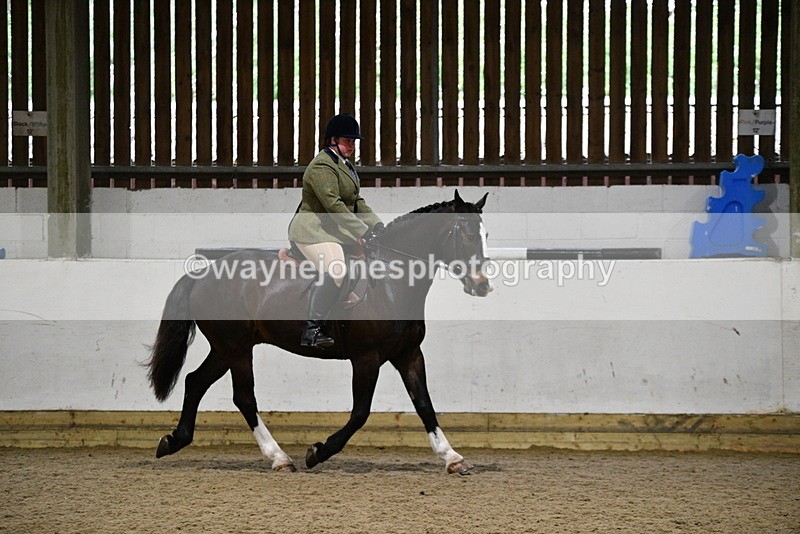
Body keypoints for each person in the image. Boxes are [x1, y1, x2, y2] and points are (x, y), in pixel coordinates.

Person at [288, 113, 383, 348]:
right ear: (332, 140)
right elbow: (333, 205)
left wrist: (377, 224)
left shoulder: (345, 165)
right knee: (337, 269)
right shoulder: (322, 166)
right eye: (347, 141)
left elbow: (356, 201)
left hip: (333, 230)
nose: (351, 146)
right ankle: (311, 329)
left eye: (353, 142)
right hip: (312, 230)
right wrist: (362, 231)